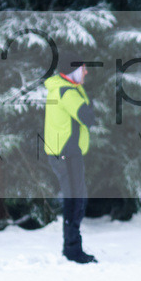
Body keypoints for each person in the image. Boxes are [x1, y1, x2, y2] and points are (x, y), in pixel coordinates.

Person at [44, 52, 97, 263]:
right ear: (73, 71)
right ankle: (72, 249)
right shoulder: (67, 92)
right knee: (75, 200)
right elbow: (87, 117)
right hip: (66, 153)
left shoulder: (64, 87)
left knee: (76, 198)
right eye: (83, 68)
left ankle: (72, 246)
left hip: (66, 152)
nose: (86, 71)